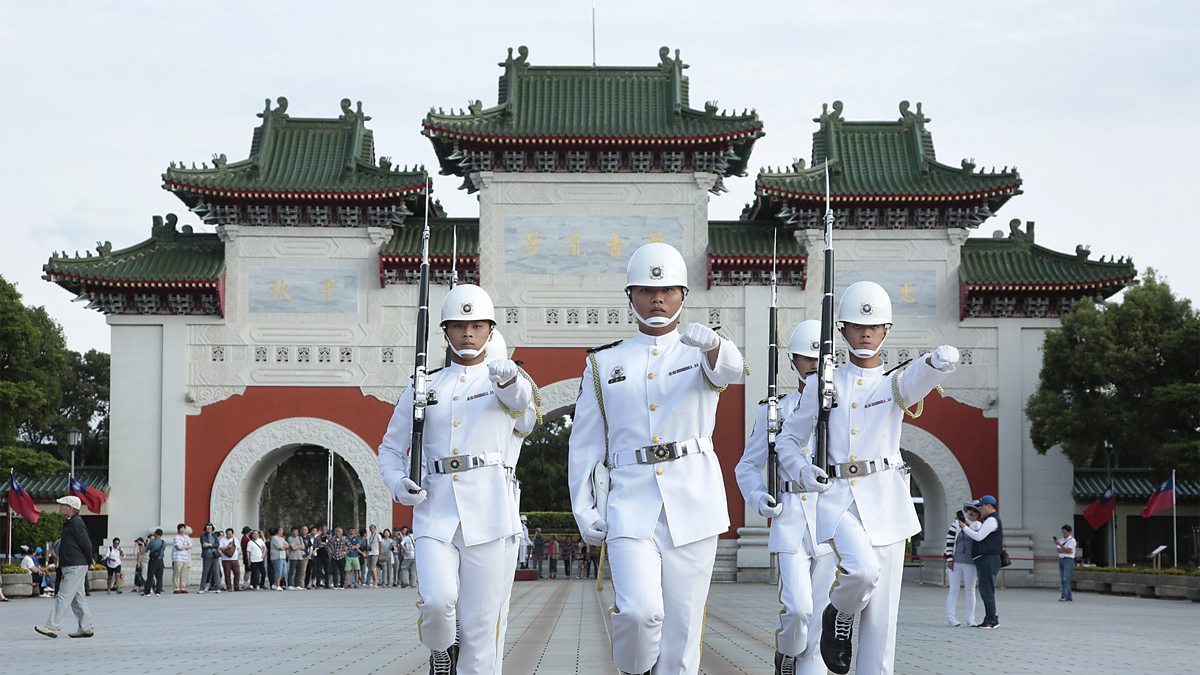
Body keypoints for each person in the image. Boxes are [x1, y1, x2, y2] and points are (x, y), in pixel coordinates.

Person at [568, 242, 745, 675]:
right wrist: (584, 509)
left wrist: (716, 346)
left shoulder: (701, 351)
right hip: (630, 501)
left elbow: (731, 371)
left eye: (667, 290)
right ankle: (634, 669)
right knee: (639, 613)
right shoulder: (603, 363)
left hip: (693, 502)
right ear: (631, 296)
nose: (657, 299)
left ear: (683, 295)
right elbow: (585, 445)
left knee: (682, 635)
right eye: (647, 290)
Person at [777, 280, 958, 674]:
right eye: (857, 326)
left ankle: (852, 635)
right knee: (861, 571)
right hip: (840, 500)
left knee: (881, 624)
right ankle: (839, 613)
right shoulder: (824, 384)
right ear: (842, 330)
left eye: (874, 326)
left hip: (887, 503)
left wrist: (936, 363)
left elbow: (916, 379)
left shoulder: (893, 382)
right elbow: (788, 440)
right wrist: (803, 470)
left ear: (885, 331)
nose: (865, 333)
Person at [378, 283, 538, 675]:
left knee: (481, 631)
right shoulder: (424, 386)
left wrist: (511, 382)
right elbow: (390, 448)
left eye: (477, 326)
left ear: (490, 330)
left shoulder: (504, 381)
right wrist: (397, 483)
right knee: (438, 602)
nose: (468, 333)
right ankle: (441, 648)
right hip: (435, 511)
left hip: (489, 516)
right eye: (458, 326)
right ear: (445, 332)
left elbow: (526, 415)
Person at [735, 319, 837, 675]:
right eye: (806, 358)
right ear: (792, 361)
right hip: (791, 515)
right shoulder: (774, 410)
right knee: (797, 609)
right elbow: (748, 466)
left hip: (830, 518)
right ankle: (788, 651)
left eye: (818, 358)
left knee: (821, 615)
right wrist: (758, 496)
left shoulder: (842, 407)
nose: (813, 365)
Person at [34, 495, 95, 638]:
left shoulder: (76, 523)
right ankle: (86, 627)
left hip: (75, 564)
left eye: (63, 505)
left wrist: (89, 560)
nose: (60, 507)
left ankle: (52, 626)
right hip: (72, 564)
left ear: (71, 508)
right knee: (77, 598)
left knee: (63, 595)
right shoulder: (70, 522)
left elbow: (86, 543)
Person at [959, 495, 1003, 629]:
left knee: (986, 590)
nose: (980, 509)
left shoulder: (991, 520)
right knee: (987, 589)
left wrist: (964, 528)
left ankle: (990, 620)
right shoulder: (991, 520)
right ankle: (992, 618)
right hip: (987, 559)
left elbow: (979, 537)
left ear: (989, 506)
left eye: (981, 506)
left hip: (988, 559)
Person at [944, 504, 979, 627]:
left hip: (971, 563)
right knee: (953, 589)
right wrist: (949, 558)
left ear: (978, 514)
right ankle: (951, 617)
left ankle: (970, 619)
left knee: (970, 591)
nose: (971, 512)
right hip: (956, 561)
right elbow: (949, 541)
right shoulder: (956, 524)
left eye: (975, 511)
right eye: (969, 510)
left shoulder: (979, 527)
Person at [198, 523, 222, 594]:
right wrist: (212, 545)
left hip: (215, 556)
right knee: (205, 572)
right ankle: (202, 588)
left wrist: (209, 544)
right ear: (205, 528)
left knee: (216, 572)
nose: (209, 529)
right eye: (208, 527)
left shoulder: (215, 536)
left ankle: (218, 587)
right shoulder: (203, 536)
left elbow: (217, 544)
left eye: (210, 527)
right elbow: (203, 545)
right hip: (207, 556)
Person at [1055, 525, 1076, 601]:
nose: (1063, 534)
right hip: (1061, 559)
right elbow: (1058, 550)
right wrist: (1064, 549)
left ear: (1069, 532)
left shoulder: (1072, 540)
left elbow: (1069, 551)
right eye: (1062, 532)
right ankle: (1069, 596)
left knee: (1066, 578)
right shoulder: (1061, 540)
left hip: (1068, 560)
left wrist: (1060, 546)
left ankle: (1064, 595)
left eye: (1065, 532)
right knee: (1063, 579)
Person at [143, 529, 165, 596]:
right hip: (161, 560)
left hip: (153, 560)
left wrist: (146, 544)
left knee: (150, 575)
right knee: (159, 577)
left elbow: (146, 550)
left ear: (156, 534)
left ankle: (147, 591)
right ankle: (158, 591)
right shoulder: (163, 542)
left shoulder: (152, 542)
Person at [171, 523, 192, 594]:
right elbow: (178, 547)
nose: (182, 530)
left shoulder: (187, 537)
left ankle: (183, 587)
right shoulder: (176, 537)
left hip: (185, 558)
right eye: (181, 528)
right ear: (178, 529)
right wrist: (186, 547)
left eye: (183, 528)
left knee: (184, 573)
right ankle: (176, 588)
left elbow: (190, 546)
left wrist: (183, 547)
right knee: (177, 573)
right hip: (177, 558)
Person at [365, 524, 381, 588]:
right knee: (370, 568)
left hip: (375, 553)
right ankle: (374, 580)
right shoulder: (370, 537)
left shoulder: (378, 535)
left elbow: (380, 543)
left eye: (373, 528)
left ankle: (376, 581)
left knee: (373, 568)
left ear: (375, 529)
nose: (372, 529)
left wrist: (380, 552)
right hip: (370, 553)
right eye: (370, 528)